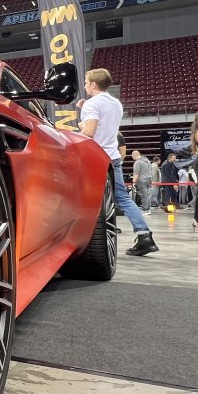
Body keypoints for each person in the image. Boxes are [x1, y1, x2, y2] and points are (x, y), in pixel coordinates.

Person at [79, 68, 158, 257]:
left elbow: (89, 132)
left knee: (88, 197)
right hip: (113, 156)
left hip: (97, 158)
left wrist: (70, 136)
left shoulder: (92, 104)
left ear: (93, 84)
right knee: (122, 198)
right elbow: (104, 127)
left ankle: (86, 237)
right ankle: (144, 235)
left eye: (86, 82)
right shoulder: (116, 103)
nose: (84, 85)